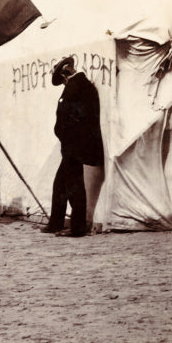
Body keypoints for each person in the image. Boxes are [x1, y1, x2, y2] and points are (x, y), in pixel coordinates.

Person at [42, 56, 104, 237]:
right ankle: (56, 223)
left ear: (67, 71)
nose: (63, 82)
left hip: (74, 146)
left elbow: (73, 117)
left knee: (74, 187)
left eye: (62, 78)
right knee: (60, 185)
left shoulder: (77, 87)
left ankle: (77, 228)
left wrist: (65, 135)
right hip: (73, 145)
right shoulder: (83, 86)